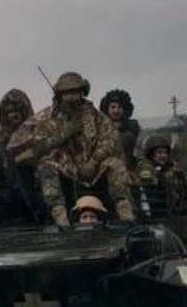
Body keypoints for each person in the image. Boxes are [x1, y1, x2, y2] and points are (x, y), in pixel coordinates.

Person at [7, 71, 136, 227]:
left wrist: (94, 160)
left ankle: (126, 214)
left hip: (93, 166)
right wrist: (63, 135)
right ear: (59, 95)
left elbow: (111, 139)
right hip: (65, 167)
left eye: (75, 92)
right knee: (47, 167)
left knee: (115, 164)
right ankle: (61, 219)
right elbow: (17, 147)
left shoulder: (95, 116)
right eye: (66, 93)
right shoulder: (46, 117)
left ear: (82, 92)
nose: (71, 97)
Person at [137, 135, 187, 217]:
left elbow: (184, 197)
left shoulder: (173, 171)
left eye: (165, 152)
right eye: (159, 153)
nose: (163, 155)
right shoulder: (146, 169)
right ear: (151, 155)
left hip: (177, 214)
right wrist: (162, 177)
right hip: (156, 213)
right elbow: (151, 195)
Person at [99, 89, 141, 169]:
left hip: (129, 168)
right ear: (106, 108)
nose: (116, 110)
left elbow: (140, 152)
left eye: (120, 107)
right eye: (113, 107)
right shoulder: (99, 128)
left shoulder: (133, 127)